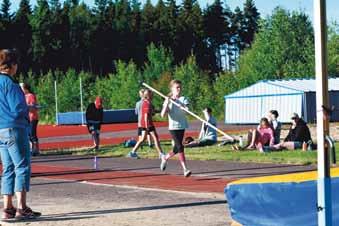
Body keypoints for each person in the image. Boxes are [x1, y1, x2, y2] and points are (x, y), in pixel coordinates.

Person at [0, 49, 41, 220]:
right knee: (22, 166)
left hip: (0, 130)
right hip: (15, 128)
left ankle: (7, 207)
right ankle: (22, 208)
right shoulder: (11, 84)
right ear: (11, 66)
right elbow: (17, 109)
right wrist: (29, 109)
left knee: (8, 168)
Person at [160, 79, 191, 177]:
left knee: (176, 149)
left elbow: (187, 111)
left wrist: (182, 105)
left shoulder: (183, 98)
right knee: (180, 147)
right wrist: (167, 103)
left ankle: (165, 158)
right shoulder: (168, 100)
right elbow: (162, 115)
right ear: (172, 89)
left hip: (181, 125)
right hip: (173, 127)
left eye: (180, 87)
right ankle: (185, 169)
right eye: (177, 87)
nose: (179, 89)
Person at [128, 89, 165, 159]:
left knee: (143, 139)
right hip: (147, 124)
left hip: (146, 124)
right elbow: (145, 115)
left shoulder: (148, 103)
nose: (153, 96)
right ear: (148, 96)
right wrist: (147, 126)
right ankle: (161, 153)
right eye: (151, 94)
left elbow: (152, 113)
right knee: (155, 138)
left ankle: (132, 152)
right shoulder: (147, 104)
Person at [20, 83, 40, 156]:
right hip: (26, 118)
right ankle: (31, 149)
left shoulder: (30, 95)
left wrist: (24, 107)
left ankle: (36, 150)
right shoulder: (23, 96)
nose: (20, 90)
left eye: (21, 88)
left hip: (32, 118)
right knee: (28, 135)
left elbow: (32, 106)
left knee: (32, 134)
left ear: (26, 89)